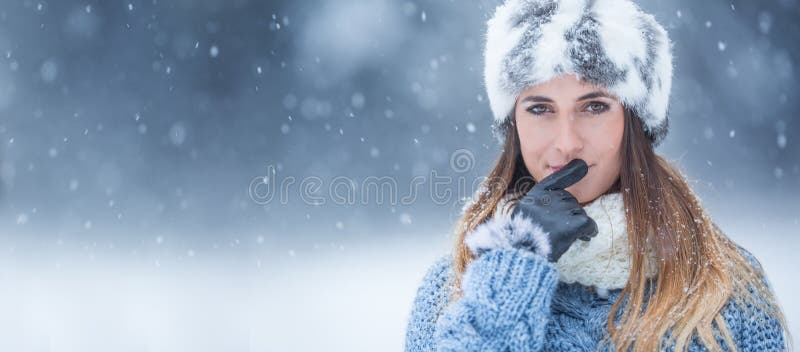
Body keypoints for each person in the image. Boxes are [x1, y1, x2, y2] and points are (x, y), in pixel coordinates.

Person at [403, 0, 792, 351]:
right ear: (514, 125)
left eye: (594, 106)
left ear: (634, 122)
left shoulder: (727, 286)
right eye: (540, 109)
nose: (567, 143)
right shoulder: (454, 287)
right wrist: (516, 262)